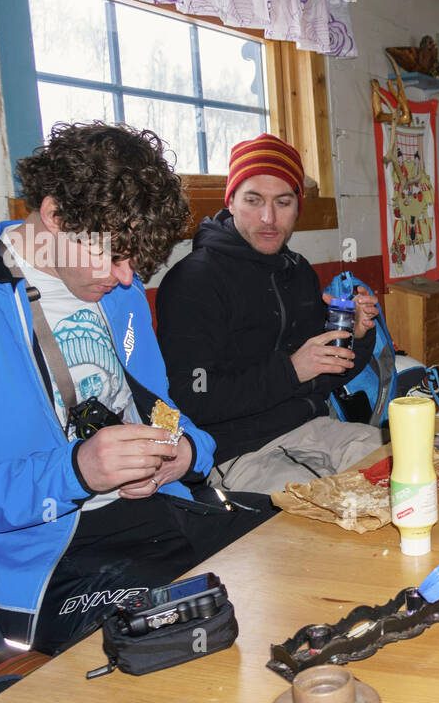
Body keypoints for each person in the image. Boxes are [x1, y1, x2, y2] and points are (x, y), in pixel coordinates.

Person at [0, 123, 267, 655]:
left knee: (290, 556)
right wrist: (75, 471)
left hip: (160, 514)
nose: (126, 278)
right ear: (55, 215)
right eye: (114, 257)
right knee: (185, 634)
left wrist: (181, 453)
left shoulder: (119, 291)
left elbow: (163, 410)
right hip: (45, 561)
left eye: (136, 262)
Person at [157, 134, 384, 492]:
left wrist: (356, 335)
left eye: (283, 202)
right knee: (333, 505)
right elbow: (189, 397)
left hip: (312, 429)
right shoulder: (193, 281)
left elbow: (330, 377)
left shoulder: (299, 272)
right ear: (230, 201)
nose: (268, 218)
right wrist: (292, 370)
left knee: (397, 468)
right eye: (253, 200)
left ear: (298, 206)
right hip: (235, 451)